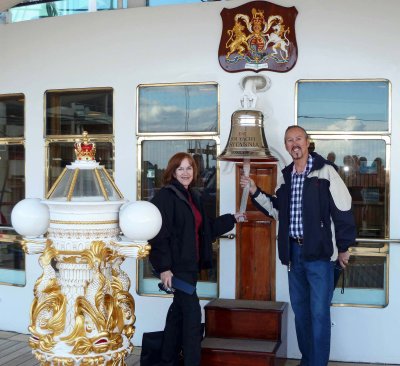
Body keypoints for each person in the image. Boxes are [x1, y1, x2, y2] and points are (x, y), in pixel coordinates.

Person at [240, 125, 356, 366]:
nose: (294, 144)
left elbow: (343, 210)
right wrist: (253, 190)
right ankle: (308, 360)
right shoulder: (285, 176)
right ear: (286, 146)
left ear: (307, 142)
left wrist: (344, 247)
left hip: (321, 255)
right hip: (294, 254)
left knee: (319, 314)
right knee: (302, 314)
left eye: (298, 139)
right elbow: (276, 209)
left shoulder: (326, 172)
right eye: (289, 140)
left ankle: (317, 363)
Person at [149, 152, 244, 366]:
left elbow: (206, 229)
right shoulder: (166, 197)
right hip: (175, 269)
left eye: (189, 168)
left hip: (189, 267)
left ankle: (166, 359)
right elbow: (158, 234)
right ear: (172, 172)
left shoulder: (192, 196)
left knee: (178, 315)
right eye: (180, 168)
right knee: (192, 317)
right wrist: (164, 268)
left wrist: (232, 219)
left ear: (195, 171)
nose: (185, 172)